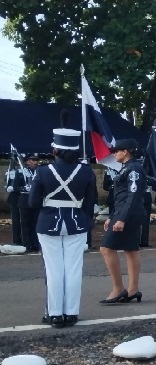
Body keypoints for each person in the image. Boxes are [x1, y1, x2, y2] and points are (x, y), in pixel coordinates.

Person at [29, 128, 96, 328]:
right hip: (77, 221)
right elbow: (89, 203)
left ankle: (55, 314)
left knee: (54, 270)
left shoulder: (42, 171)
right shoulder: (86, 171)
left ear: (55, 150)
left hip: (49, 222)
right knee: (73, 269)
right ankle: (72, 313)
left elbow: (33, 202)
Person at [99, 139, 147, 304]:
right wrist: (112, 216)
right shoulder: (126, 168)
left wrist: (122, 219)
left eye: (116, 151)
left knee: (106, 248)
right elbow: (120, 196)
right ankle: (133, 290)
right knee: (130, 249)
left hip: (129, 214)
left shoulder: (134, 169)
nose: (114, 153)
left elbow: (132, 196)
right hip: (123, 212)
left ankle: (118, 288)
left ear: (125, 151)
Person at [14, 153, 41, 252]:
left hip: (36, 200)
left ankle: (36, 244)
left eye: (36, 160)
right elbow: (13, 187)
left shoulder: (39, 172)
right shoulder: (21, 172)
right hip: (25, 199)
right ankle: (27, 244)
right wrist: (23, 188)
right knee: (25, 224)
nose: (35, 162)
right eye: (33, 160)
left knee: (36, 223)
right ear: (27, 161)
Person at [5, 155, 23, 245]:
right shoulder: (14, 172)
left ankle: (23, 239)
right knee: (16, 220)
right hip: (15, 198)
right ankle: (17, 240)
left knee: (24, 221)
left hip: (23, 199)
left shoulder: (26, 171)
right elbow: (10, 186)